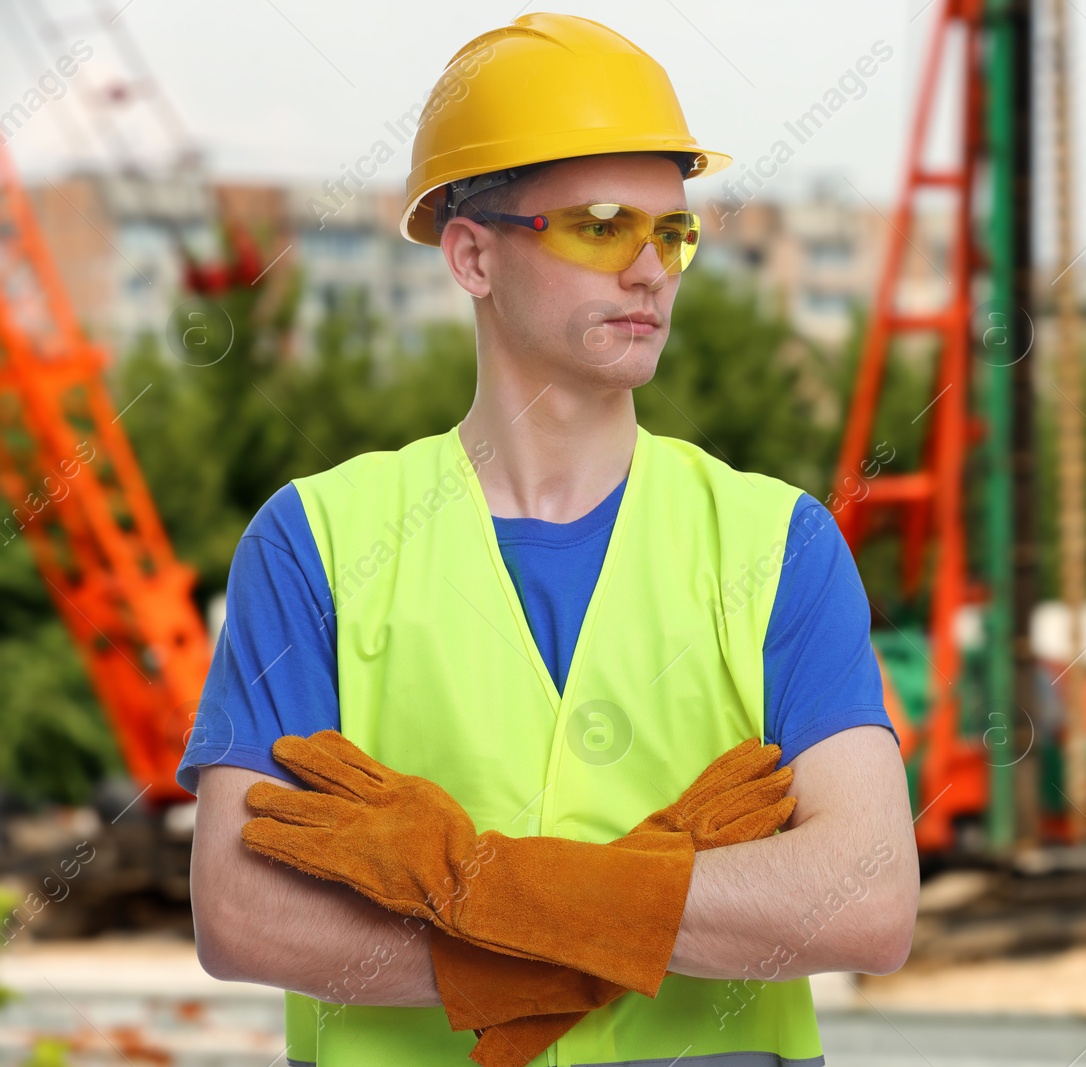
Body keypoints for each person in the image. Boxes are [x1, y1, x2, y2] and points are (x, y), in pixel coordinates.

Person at [177, 11, 918, 1067]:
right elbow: (245, 912)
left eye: (671, 232)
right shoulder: (315, 542)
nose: (650, 269)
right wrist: (656, 898)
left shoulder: (776, 542)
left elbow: (867, 898)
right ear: (472, 255)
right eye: (602, 224)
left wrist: (472, 885)